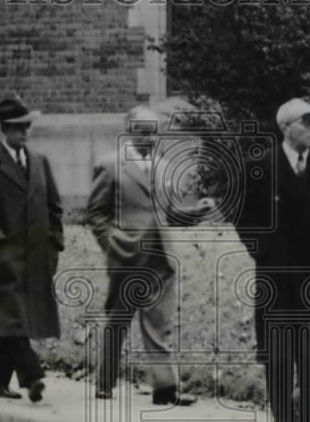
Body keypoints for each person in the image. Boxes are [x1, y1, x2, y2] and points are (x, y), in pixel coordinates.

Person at [87, 105, 214, 406]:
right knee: (118, 320)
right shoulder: (110, 165)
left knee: (159, 323)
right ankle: (104, 383)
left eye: (155, 132)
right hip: (127, 258)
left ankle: (165, 388)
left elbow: (168, 213)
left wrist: (197, 212)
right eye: (145, 132)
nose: (152, 139)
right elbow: (95, 213)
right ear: (130, 131)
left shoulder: (163, 166)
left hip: (161, 256)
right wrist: (112, 245)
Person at [233, 98, 310, 422]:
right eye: (306, 122)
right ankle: (283, 417)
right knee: (279, 347)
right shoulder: (260, 166)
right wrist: (263, 253)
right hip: (277, 269)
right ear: (285, 127)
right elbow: (242, 217)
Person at [0, 97, 64, 402]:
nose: (26, 133)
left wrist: (54, 241)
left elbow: (54, 206)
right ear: (5, 130)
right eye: (20, 128)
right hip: (6, 259)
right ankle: (32, 376)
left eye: (28, 127)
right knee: (15, 319)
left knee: (15, 320)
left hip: (37, 257)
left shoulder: (39, 161)